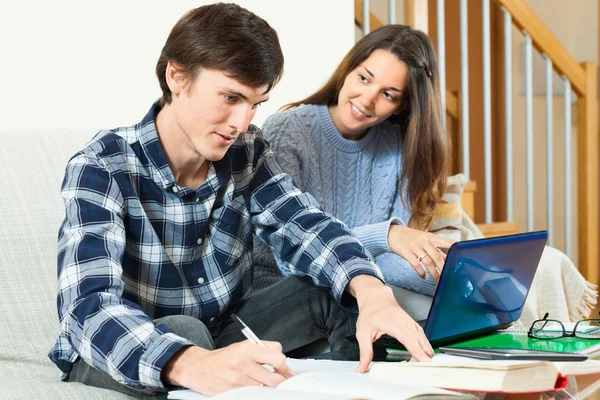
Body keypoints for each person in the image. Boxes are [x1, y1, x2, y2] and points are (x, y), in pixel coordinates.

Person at [48, 4, 434, 397]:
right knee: (186, 331)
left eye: (255, 104)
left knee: (332, 292)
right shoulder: (101, 167)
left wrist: (371, 289)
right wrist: (192, 361)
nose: (241, 122)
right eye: (230, 97)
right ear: (177, 76)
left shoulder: (247, 152)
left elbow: (304, 225)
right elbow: (89, 307)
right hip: (125, 348)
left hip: (224, 333)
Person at [253, 24, 453, 304]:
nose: (367, 100)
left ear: (403, 105)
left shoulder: (399, 147)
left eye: (388, 94)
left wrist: (453, 277)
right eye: (364, 78)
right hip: (288, 294)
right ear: (348, 70)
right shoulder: (287, 132)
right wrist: (387, 236)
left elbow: (391, 261)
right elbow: (293, 260)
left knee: (446, 310)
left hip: (365, 288)